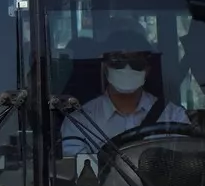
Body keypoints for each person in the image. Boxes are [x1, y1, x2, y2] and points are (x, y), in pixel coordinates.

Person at [60, 28, 189, 160]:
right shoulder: (80, 123)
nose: (127, 68)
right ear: (105, 66)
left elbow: (184, 168)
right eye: (118, 61)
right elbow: (82, 176)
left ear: (147, 69)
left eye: (136, 62)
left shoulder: (174, 118)